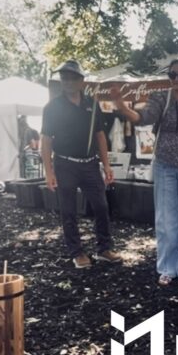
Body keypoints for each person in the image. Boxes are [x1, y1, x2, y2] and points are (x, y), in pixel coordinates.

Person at [110, 57, 178, 286]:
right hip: (165, 165)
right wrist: (122, 106)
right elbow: (143, 118)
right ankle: (167, 267)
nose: (176, 78)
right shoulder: (160, 97)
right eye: (172, 74)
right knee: (166, 221)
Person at [41, 60, 121, 268]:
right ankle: (76, 252)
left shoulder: (91, 104)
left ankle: (104, 249)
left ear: (81, 81)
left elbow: (100, 136)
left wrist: (107, 165)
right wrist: (49, 172)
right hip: (65, 164)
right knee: (68, 210)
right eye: (64, 78)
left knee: (101, 206)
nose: (67, 81)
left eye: (72, 78)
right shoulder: (52, 107)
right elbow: (46, 141)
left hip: (90, 164)